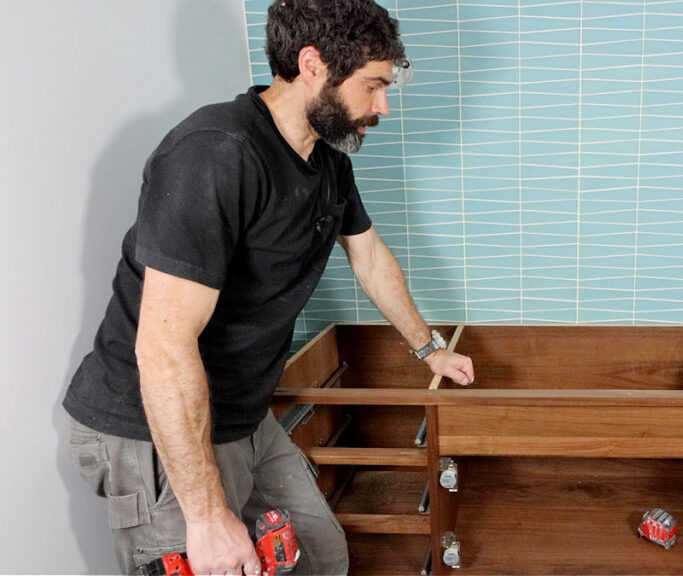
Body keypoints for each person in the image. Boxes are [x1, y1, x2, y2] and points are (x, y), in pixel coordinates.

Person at [62, 1, 474, 574]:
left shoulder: (325, 161)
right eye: (373, 85)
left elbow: (370, 256)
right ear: (312, 64)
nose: (382, 106)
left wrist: (430, 348)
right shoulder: (215, 153)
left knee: (320, 557)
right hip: (155, 428)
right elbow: (162, 347)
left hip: (240, 414)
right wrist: (205, 519)